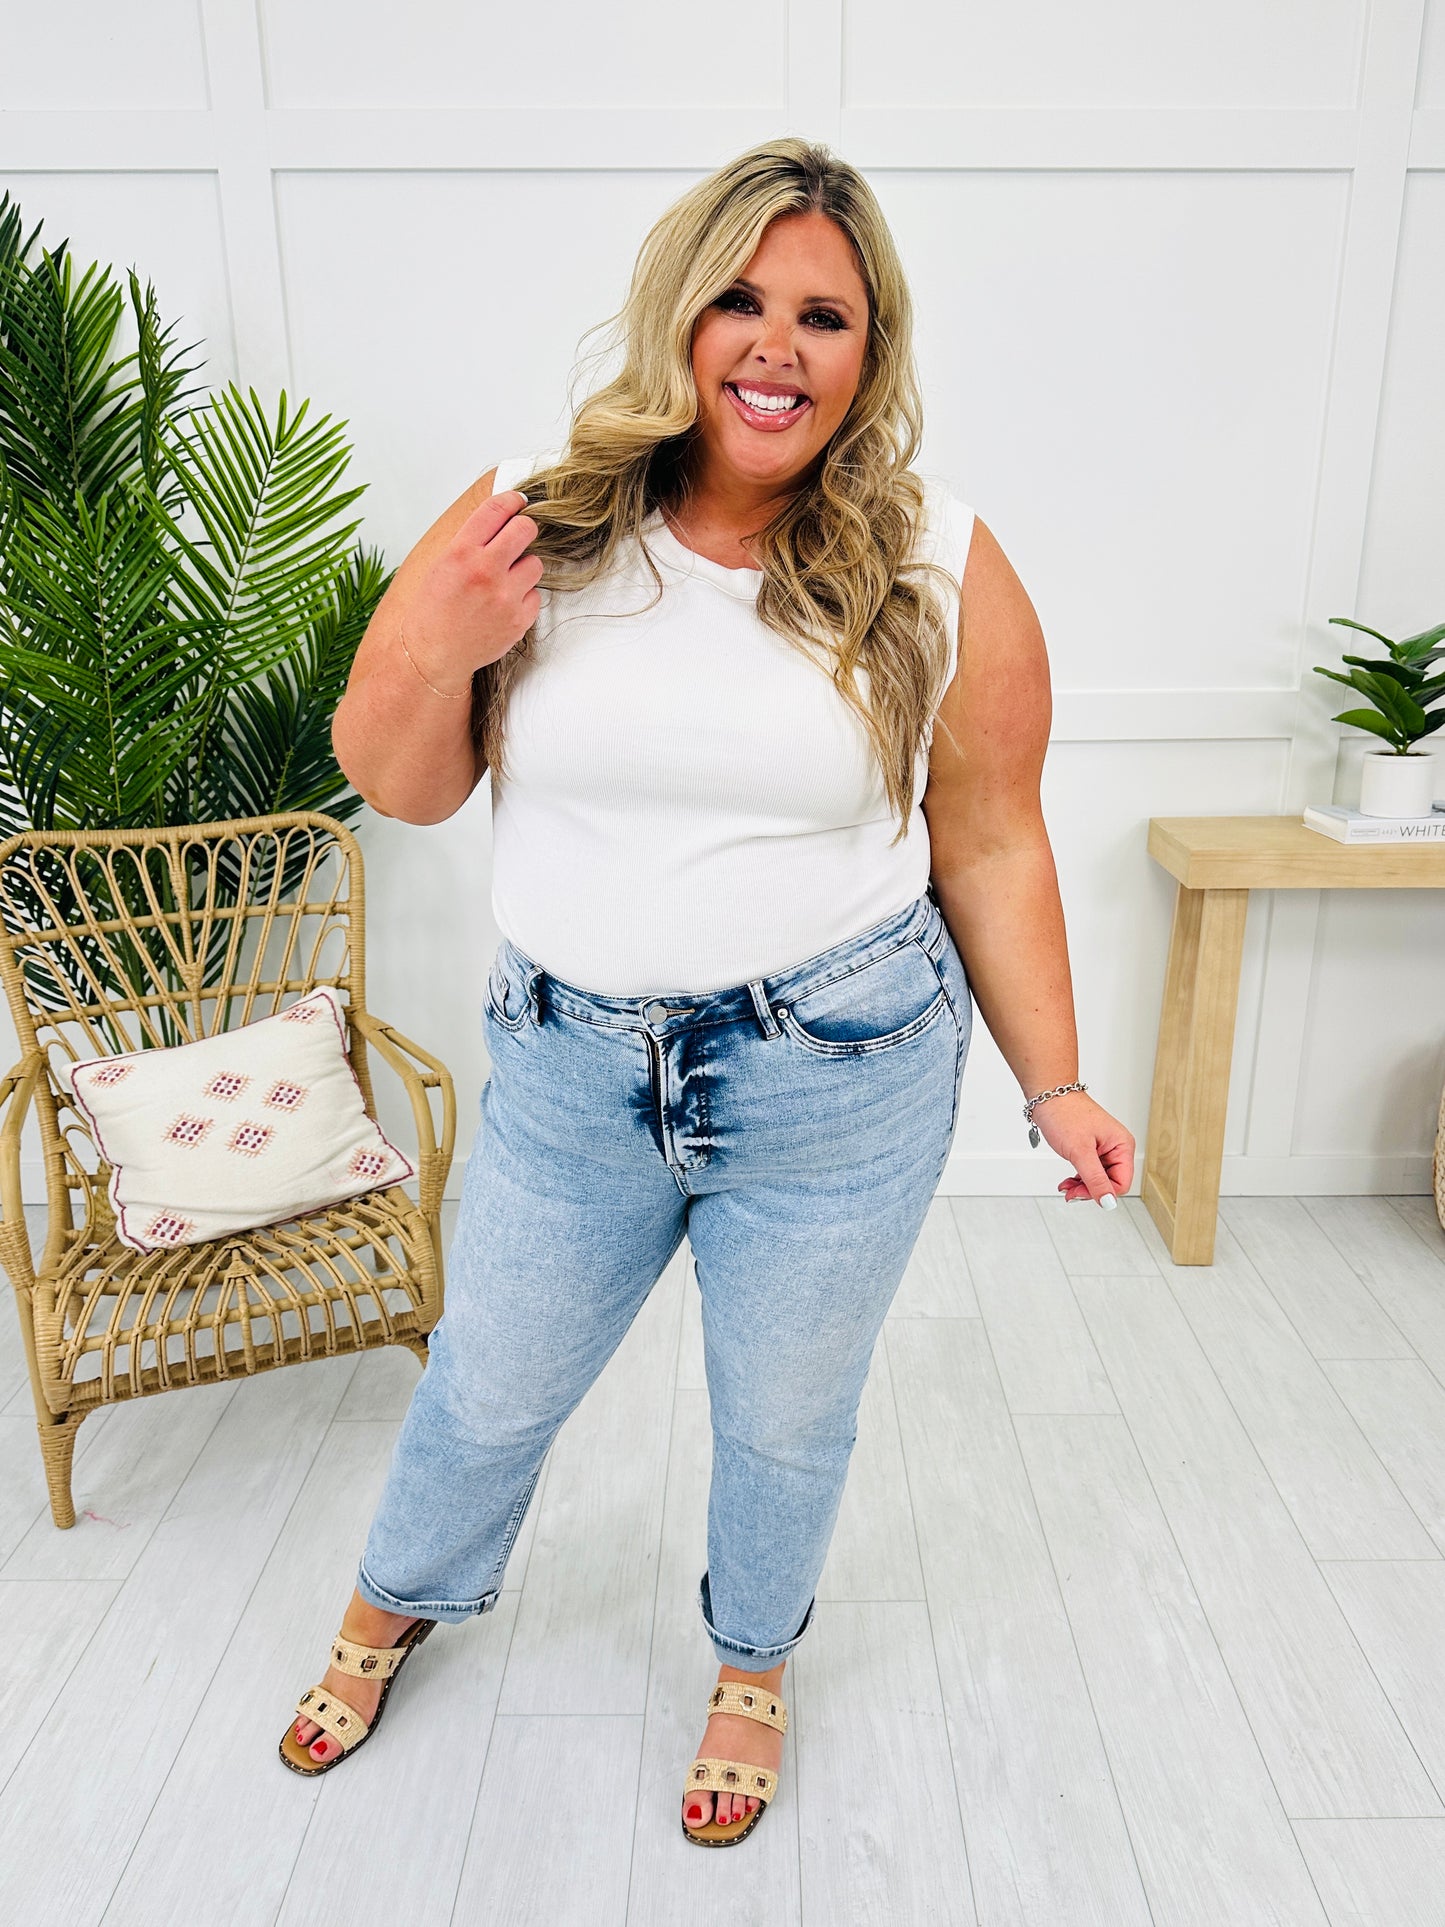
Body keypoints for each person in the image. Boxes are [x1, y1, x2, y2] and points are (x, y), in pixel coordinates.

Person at [279, 137, 1135, 1845]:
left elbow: (990, 839)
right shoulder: (532, 515)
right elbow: (400, 784)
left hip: (838, 1075)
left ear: (868, 353)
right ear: (679, 312)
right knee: (489, 1383)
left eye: (824, 316)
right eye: (740, 299)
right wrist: (435, 640)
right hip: (569, 1071)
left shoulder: (938, 558)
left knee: (785, 1420)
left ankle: (752, 1663)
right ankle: (390, 1605)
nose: (774, 346)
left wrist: (1054, 1083)